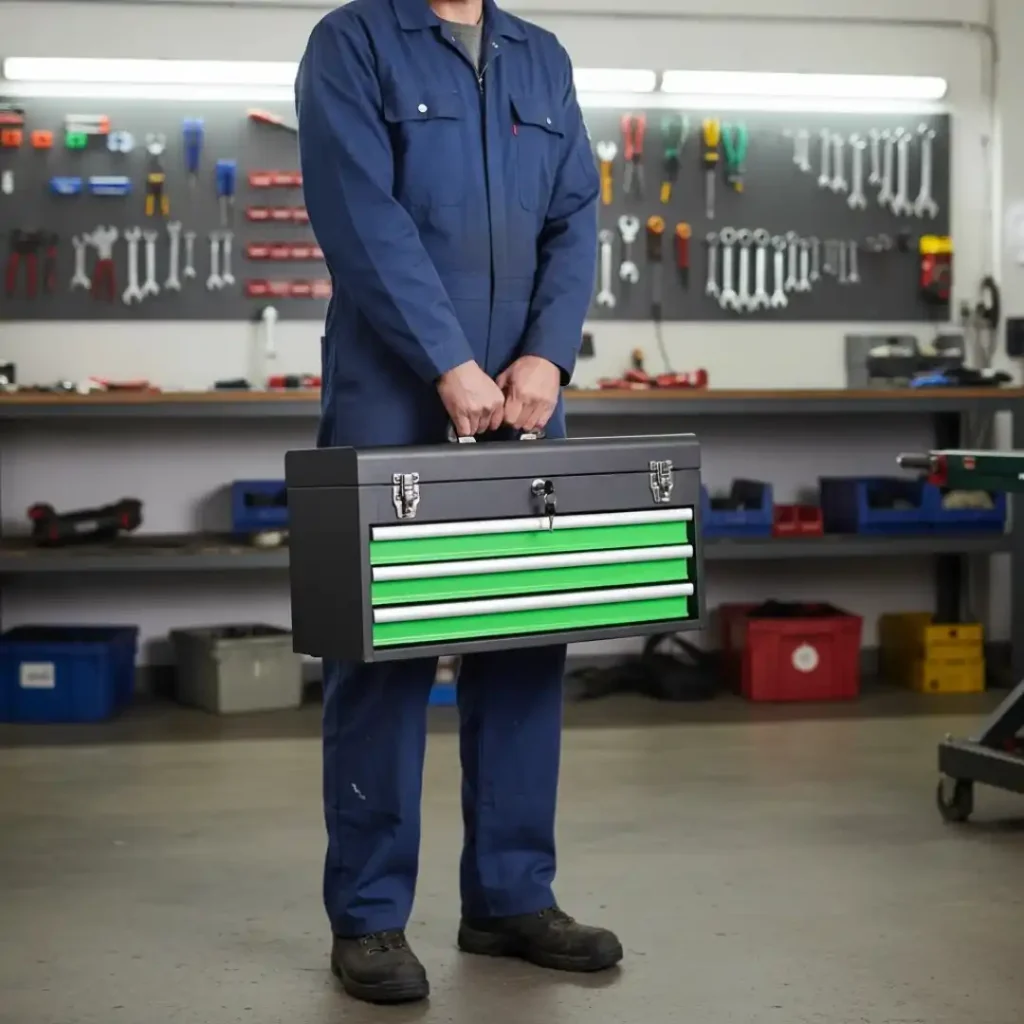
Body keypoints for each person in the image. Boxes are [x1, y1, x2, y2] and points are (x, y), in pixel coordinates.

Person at [296, 0, 617, 1005]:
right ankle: (369, 914)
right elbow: (361, 218)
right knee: (381, 655)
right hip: (393, 390)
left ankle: (511, 898)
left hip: (524, 397)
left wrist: (548, 355)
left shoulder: (541, 57)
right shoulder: (352, 44)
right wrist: (447, 360)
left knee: (524, 641)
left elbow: (574, 217)